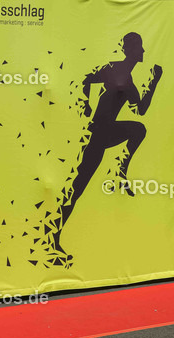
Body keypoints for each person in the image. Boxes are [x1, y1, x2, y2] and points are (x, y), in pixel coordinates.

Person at [47, 32, 162, 264]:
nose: (143, 52)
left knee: (138, 129)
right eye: (139, 48)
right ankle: (52, 238)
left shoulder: (128, 81)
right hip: (97, 134)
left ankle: (121, 171)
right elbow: (87, 79)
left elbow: (140, 110)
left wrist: (154, 82)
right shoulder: (114, 68)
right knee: (77, 188)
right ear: (130, 50)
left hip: (108, 131)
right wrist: (86, 105)